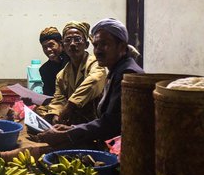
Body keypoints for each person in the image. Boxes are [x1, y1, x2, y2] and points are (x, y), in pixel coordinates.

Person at [32, 18, 144, 150]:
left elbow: (111, 123)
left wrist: (70, 113)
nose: (98, 50)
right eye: (96, 45)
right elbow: (58, 98)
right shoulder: (63, 73)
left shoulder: (125, 73)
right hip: (91, 128)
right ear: (64, 45)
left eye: (104, 44)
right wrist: (57, 115)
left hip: (115, 139)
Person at [44, 21, 107, 125]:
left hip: (96, 122)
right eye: (68, 40)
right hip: (75, 122)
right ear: (63, 46)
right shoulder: (62, 75)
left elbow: (95, 80)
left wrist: (70, 106)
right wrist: (55, 114)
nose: (72, 44)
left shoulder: (95, 63)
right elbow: (59, 99)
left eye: (77, 39)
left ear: (86, 45)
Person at [38, 27, 69, 96]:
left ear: (61, 43)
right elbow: (48, 95)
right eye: (44, 47)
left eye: (51, 45)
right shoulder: (44, 70)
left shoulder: (72, 61)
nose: (48, 49)